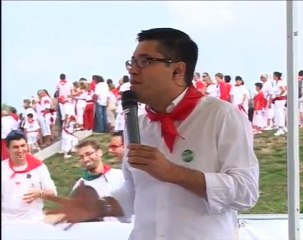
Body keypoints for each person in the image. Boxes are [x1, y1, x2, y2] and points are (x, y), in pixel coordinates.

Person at [44, 28, 259, 239]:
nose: (133, 70)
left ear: (177, 71)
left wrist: (173, 173)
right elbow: (137, 192)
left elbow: (245, 192)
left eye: (145, 62)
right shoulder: (137, 125)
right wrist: (99, 207)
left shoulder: (221, 116)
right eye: (132, 62)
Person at [1, 130, 57, 224]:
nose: (20, 150)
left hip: (33, 221)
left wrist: (40, 193)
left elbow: (53, 194)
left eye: (23, 146)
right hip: (6, 222)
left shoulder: (39, 167)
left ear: (27, 146)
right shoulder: (3, 167)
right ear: (7, 149)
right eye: (15, 147)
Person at [70, 140, 126, 221]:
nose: (85, 159)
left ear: (99, 152)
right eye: (81, 157)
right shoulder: (79, 186)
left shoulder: (119, 176)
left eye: (88, 154)